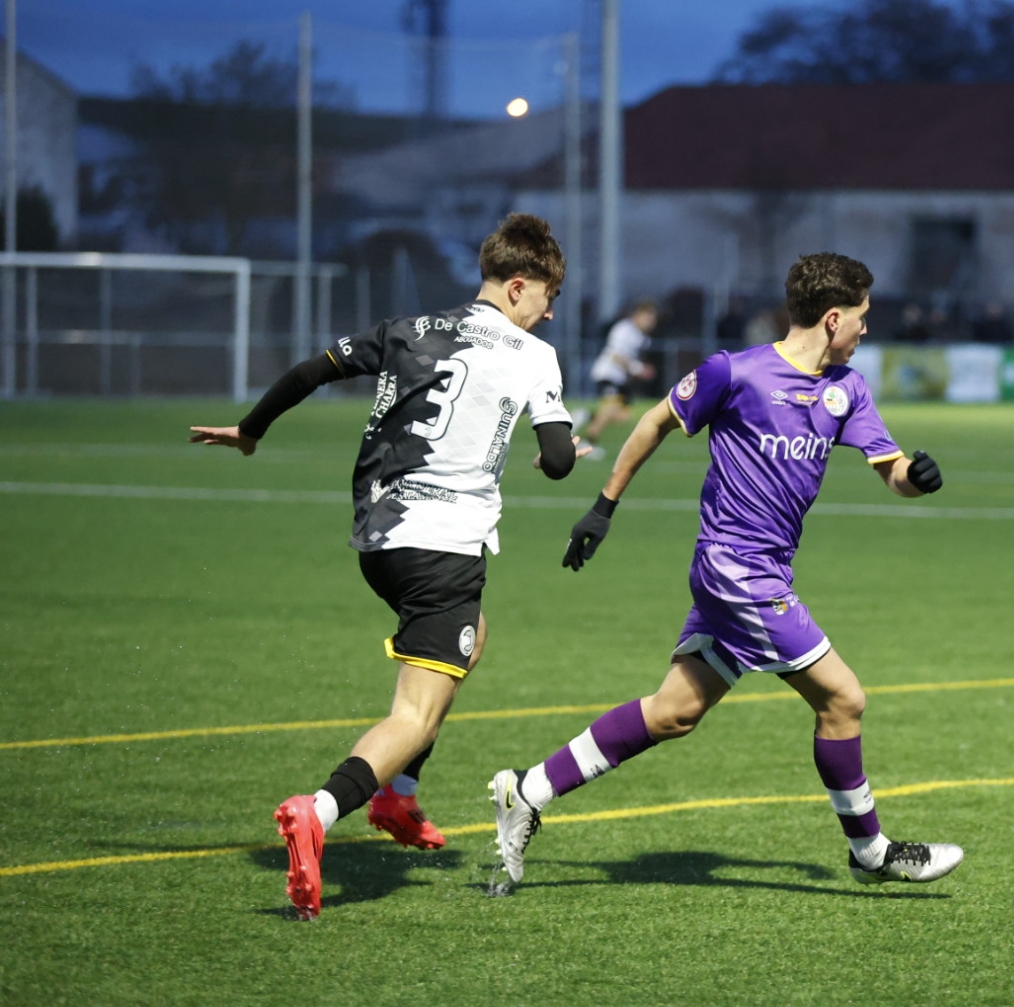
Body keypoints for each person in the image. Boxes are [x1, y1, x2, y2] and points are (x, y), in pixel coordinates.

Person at [486, 253, 964, 889]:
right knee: (844, 699)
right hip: (736, 571)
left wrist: (916, 479)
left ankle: (527, 789)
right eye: (860, 318)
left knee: (673, 712)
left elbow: (892, 469)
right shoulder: (735, 373)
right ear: (831, 319)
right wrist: (603, 506)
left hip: (761, 574)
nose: (864, 330)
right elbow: (656, 420)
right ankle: (871, 851)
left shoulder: (846, 388)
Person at [190, 214, 579, 919]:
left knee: (472, 639)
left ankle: (398, 797)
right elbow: (554, 463)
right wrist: (565, 449)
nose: (549, 310)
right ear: (519, 286)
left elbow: (313, 369)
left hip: (380, 540)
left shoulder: (409, 327)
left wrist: (251, 430)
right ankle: (320, 809)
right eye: (546, 295)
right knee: (414, 712)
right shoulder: (533, 353)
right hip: (444, 549)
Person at [582, 301, 659, 455]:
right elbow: (615, 355)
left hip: (621, 379)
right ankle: (587, 443)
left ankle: (585, 415)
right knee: (611, 408)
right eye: (647, 318)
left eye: (652, 320)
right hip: (608, 374)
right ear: (638, 315)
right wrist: (639, 369)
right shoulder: (624, 329)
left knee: (623, 417)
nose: (650, 323)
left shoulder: (643, 338)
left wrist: (639, 371)